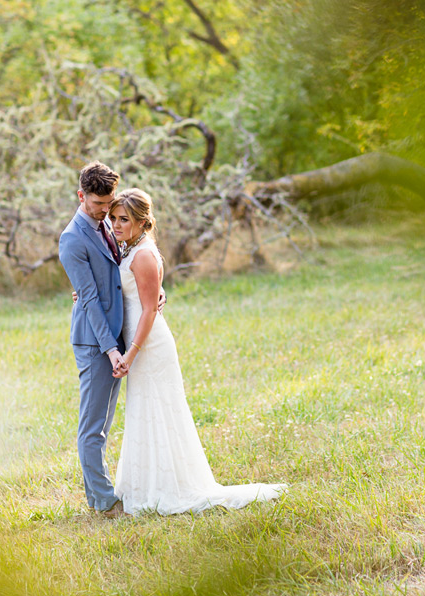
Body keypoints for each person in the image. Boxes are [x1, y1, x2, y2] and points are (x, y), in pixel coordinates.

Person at [104, 188, 286, 515]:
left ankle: (168, 489)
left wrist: (130, 354)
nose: (116, 225)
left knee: (160, 411)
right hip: (138, 342)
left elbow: (148, 311)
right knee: (144, 413)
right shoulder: (128, 247)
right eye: (114, 218)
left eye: (124, 220)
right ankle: (146, 485)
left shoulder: (143, 254)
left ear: (143, 223)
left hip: (148, 345)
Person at [57, 161, 129, 518]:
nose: (105, 212)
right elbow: (88, 299)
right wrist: (111, 349)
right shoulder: (72, 239)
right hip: (94, 341)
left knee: (103, 422)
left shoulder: (107, 225)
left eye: (109, 203)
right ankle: (104, 502)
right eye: (99, 204)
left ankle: (97, 498)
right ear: (81, 195)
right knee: (93, 427)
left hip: (114, 334)